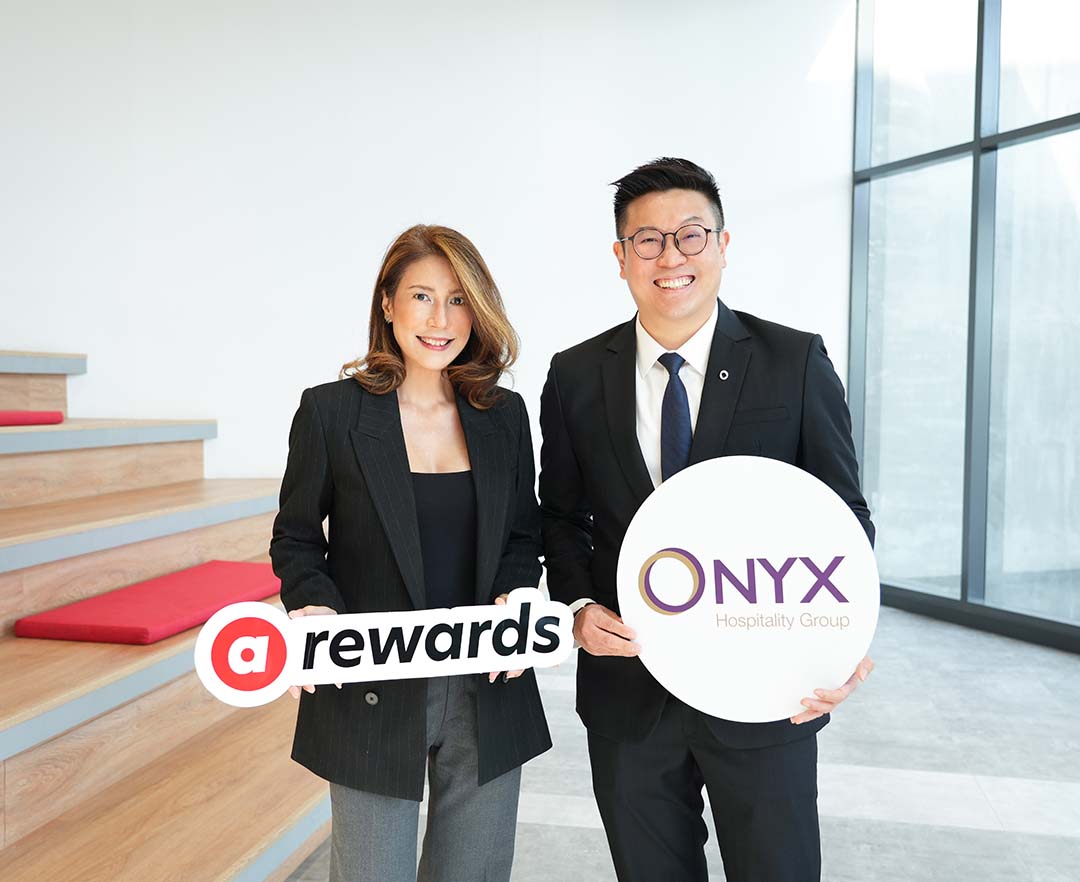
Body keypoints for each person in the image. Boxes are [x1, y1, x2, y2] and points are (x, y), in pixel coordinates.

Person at [538, 157, 876, 882]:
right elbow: (561, 517)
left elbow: (841, 515)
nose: (671, 258)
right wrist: (579, 608)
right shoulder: (574, 375)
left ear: (722, 245)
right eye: (648, 240)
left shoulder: (793, 360)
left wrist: (842, 637)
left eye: (690, 236)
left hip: (766, 688)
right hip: (630, 695)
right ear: (621, 256)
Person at [270, 224, 550, 882]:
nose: (439, 319)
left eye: (458, 300)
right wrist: (314, 607)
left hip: (487, 683)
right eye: (422, 296)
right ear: (388, 304)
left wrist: (516, 597)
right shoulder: (331, 413)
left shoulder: (503, 415)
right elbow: (297, 537)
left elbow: (522, 535)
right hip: (372, 683)